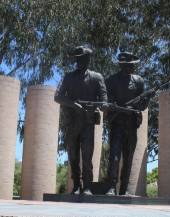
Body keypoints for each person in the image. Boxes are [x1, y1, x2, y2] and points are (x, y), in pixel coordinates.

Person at [54, 46, 107, 195]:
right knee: (73, 155)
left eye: (83, 58)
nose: (80, 61)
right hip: (71, 123)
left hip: (88, 122)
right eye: (78, 58)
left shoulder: (97, 77)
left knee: (87, 155)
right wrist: (73, 104)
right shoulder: (68, 77)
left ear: (88, 59)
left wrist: (103, 106)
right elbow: (58, 96)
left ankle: (88, 186)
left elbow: (104, 100)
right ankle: (76, 185)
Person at [105, 52, 149, 196]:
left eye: (132, 65)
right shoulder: (111, 80)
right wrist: (120, 108)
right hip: (117, 123)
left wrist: (145, 99)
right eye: (128, 65)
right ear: (122, 65)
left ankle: (124, 189)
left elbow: (142, 105)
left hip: (131, 124)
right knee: (114, 156)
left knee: (128, 157)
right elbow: (108, 102)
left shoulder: (139, 81)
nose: (131, 67)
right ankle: (112, 187)